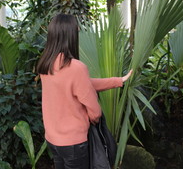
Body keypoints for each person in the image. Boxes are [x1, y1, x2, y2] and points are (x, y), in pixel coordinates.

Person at [37, 14, 132, 169]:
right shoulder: (76, 67)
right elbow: (95, 111)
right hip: (74, 143)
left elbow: (80, 85)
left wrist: (117, 81)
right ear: (70, 35)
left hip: (53, 140)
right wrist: (93, 117)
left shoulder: (45, 64)